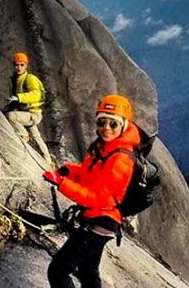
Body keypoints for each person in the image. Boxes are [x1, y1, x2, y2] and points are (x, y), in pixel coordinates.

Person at [43, 94, 141, 288]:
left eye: (113, 124)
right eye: (102, 122)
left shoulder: (120, 159)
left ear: (123, 125)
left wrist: (62, 183)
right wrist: (69, 171)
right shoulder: (106, 148)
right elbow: (91, 176)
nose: (106, 128)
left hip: (101, 220)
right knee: (88, 271)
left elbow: (97, 198)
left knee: (58, 270)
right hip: (100, 219)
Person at [6, 52, 51, 166]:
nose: (19, 67)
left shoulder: (30, 78)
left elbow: (36, 94)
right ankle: (49, 163)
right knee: (37, 138)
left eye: (22, 65)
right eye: (17, 65)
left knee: (11, 116)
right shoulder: (15, 80)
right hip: (25, 114)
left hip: (32, 114)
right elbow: (14, 101)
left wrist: (19, 97)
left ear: (26, 65)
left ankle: (23, 135)